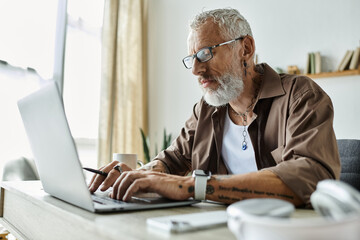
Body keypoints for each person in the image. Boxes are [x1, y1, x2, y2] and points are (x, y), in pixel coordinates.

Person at [89, 8, 340, 208]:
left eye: (206, 53)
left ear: (246, 48)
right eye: (192, 59)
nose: (197, 70)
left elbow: (311, 176)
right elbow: (172, 160)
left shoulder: (300, 96)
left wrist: (194, 186)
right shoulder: (206, 110)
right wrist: (136, 176)